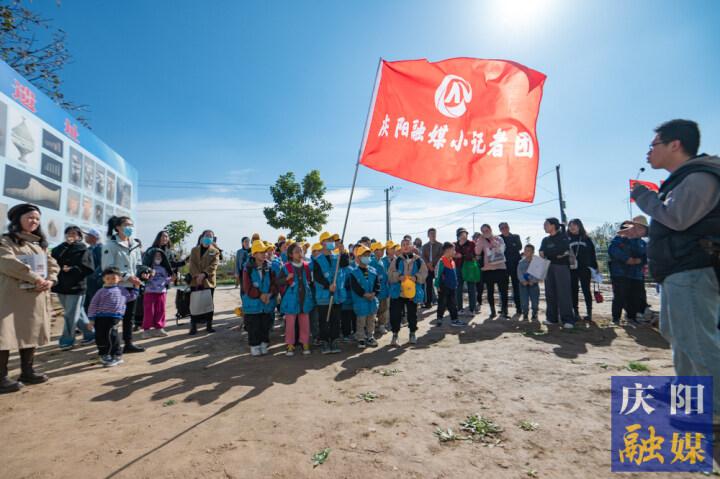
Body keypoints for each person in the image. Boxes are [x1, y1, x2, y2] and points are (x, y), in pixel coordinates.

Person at [628, 119, 720, 425]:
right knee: (680, 335)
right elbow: (683, 224)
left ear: (675, 144)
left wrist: (644, 197)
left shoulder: (699, 177)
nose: (648, 152)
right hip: (680, 270)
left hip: (692, 270)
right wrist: (644, 232)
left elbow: (677, 218)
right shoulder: (685, 179)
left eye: (653, 145)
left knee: (698, 340)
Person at [0, 203, 60, 393]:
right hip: (11, 297)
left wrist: (51, 280)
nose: (34, 221)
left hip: (36, 296)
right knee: (5, 334)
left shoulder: (39, 244)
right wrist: (36, 278)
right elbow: (7, 263)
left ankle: (27, 371)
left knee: (31, 333)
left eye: (37, 218)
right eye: (30, 217)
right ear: (17, 219)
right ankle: (1, 377)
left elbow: (53, 265)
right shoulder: (5, 241)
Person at [101, 216, 145, 353]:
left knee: (129, 317)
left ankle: (128, 343)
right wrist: (127, 277)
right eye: (126, 225)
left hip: (132, 287)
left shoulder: (135, 245)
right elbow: (108, 268)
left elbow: (138, 265)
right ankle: (110, 347)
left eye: (131, 225)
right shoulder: (110, 245)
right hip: (116, 287)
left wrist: (144, 273)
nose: (129, 228)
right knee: (113, 319)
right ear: (117, 227)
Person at [51, 225, 96, 350]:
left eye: (74, 233)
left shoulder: (83, 249)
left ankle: (67, 340)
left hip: (76, 287)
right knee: (77, 313)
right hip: (61, 286)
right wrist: (65, 246)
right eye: (68, 233)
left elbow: (88, 268)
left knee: (70, 315)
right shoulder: (60, 248)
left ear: (79, 236)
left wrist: (73, 269)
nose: (71, 235)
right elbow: (53, 259)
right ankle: (91, 334)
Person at [88, 267, 140, 367]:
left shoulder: (122, 290)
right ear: (103, 279)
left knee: (111, 335)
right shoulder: (100, 291)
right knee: (100, 336)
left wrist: (137, 287)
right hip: (100, 317)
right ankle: (103, 354)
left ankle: (116, 355)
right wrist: (91, 319)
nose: (111, 280)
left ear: (119, 279)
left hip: (114, 317)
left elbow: (131, 297)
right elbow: (93, 305)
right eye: (108, 278)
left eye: (113, 278)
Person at [312, 232, 348, 354]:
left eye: (333, 240)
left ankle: (334, 340)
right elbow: (317, 277)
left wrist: (343, 253)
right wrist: (328, 286)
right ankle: (325, 342)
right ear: (322, 242)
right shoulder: (317, 259)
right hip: (324, 296)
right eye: (329, 240)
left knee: (335, 319)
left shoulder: (337, 257)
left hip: (337, 295)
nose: (332, 242)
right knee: (324, 320)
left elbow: (345, 263)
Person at [388, 238, 428, 346]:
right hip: (398, 292)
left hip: (412, 293)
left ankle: (412, 333)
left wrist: (416, 277)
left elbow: (424, 273)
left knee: (412, 314)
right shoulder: (396, 261)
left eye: (408, 244)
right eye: (403, 244)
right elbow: (390, 274)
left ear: (412, 246)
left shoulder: (419, 260)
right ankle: (395, 335)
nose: (405, 246)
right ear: (401, 247)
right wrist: (399, 276)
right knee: (395, 314)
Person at [242, 240, 278, 356]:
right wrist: (260, 295)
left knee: (265, 325)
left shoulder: (270, 267)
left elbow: (274, 283)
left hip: (267, 303)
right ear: (254, 254)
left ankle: (264, 344)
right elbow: (247, 287)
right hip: (253, 305)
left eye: (265, 252)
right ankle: (254, 346)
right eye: (261, 252)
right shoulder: (247, 268)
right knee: (254, 326)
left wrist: (270, 294)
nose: (264, 254)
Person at [609, 218, 648, 324]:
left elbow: (646, 256)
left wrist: (639, 260)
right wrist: (627, 259)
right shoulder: (618, 239)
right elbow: (613, 250)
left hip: (636, 274)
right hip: (619, 273)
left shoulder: (642, 243)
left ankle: (632, 317)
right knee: (619, 295)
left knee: (634, 296)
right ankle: (616, 318)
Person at [539, 218, 575, 329]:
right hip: (548, 267)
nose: (544, 227)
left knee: (564, 293)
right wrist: (555, 254)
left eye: (546, 224)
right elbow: (542, 252)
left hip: (561, 267)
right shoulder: (545, 240)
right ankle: (552, 318)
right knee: (550, 293)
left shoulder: (563, 237)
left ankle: (568, 320)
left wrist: (551, 253)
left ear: (553, 225)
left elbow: (563, 250)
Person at [278, 243, 313, 356]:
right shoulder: (286, 267)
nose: (299, 253)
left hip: (304, 299)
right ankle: (290, 345)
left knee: (305, 323)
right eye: (297, 251)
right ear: (290, 254)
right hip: (291, 301)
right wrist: (286, 279)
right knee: (290, 324)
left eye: (301, 251)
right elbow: (278, 282)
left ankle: (305, 343)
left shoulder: (306, 266)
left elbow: (309, 280)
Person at [188, 230, 220, 335]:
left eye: (211, 236)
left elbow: (214, 265)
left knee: (208, 304)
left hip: (208, 281)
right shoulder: (194, 250)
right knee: (194, 304)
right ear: (202, 237)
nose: (208, 237)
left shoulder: (215, 251)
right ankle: (193, 326)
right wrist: (197, 275)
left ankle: (209, 325)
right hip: (195, 281)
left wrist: (204, 274)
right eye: (207, 235)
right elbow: (191, 264)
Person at [567, 218, 599, 321]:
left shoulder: (586, 239)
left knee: (586, 290)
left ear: (579, 226)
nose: (572, 227)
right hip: (572, 268)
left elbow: (592, 254)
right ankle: (575, 312)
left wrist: (595, 267)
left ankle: (589, 313)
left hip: (585, 268)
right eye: (570, 225)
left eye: (574, 225)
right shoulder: (566, 239)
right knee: (573, 290)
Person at [475, 224, 509, 318]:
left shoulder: (498, 238)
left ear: (490, 229)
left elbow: (502, 249)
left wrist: (493, 240)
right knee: (490, 292)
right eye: (483, 231)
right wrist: (479, 241)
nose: (485, 232)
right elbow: (477, 252)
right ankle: (492, 311)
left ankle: (504, 311)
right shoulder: (481, 240)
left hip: (500, 268)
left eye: (486, 230)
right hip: (488, 269)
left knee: (503, 291)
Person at [349, 245, 380, 348]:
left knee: (371, 320)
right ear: (358, 257)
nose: (367, 257)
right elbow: (355, 287)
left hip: (372, 300)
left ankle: (370, 336)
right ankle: (361, 338)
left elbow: (377, 284)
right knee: (361, 321)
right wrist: (364, 294)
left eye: (368, 255)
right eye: (364, 255)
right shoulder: (354, 272)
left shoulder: (373, 270)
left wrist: (374, 293)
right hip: (360, 301)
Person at [141, 248, 173, 337]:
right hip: (149, 292)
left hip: (161, 292)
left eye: (160, 256)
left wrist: (171, 279)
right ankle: (146, 330)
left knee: (160, 310)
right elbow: (143, 279)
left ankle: (159, 328)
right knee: (148, 311)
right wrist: (149, 275)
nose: (158, 257)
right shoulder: (147, 268)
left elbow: (166, 280)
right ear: (152, 257)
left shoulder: (163, 268)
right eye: (156, 255)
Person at [434, 242, 461, 327]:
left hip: (452, 287)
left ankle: (454, 320)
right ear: (447, 250)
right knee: (442, 303)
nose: (455, 252)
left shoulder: (452, 261)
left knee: (453, 304)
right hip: (443, 287)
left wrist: (456, 282)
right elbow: (437, 274)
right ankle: (439, 319)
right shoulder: (441, 261)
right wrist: (437, 285)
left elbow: (454, 274)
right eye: (453, 249)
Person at [499, 222, 523, 315]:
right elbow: (498, 251)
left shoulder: (516, 236)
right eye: (502, 228)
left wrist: (507, 248)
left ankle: (519, 308)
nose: (504, 229)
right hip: (503, 266)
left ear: (508, 227)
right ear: (500, 230)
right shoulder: (498, 238)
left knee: (516, 287)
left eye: (506, 227)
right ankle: (504, 309)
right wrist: (511, 246)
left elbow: (519, 247)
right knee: (503, 288)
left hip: (515, 265)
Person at [454, 227, 477, 315]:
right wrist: (454, 255)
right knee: (458, 289)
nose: (463, 236)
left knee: (471, 288)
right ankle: (459, 308)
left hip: (469, 268)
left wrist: (462, 256)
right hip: (458, 268)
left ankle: (472, 309)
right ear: (458, 236)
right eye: (461, 234)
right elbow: (450, 255)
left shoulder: (472, 244)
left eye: (465, 234)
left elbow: (474, 255)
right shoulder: (454, 245)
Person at [517, 244, 540, 321]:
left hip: (534, 285)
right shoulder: (521, 262)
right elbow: (519, 273)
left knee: (535, 301)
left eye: (528, 251)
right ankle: (525, 314)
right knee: (524, 301)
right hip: (523, 285)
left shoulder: (536, 262)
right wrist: (523, 281)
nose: (526, 252)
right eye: (525, 250)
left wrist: (533, 281)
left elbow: (538, 273)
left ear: (533, 252)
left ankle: (534, 313)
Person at [370, 242, 389, 335]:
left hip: (384, 290)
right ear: (375, 251)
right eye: (381, 249)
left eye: (383, 249)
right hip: (374, 291)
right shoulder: (371, 262)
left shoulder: (383, 262)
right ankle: (371, 328)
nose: (383, 251)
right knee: (373, 311)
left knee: (383, 309)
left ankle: (382, 325)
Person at [83, 227, 103, 314]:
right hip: (88, 281)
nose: (85, 237)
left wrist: (93, 275)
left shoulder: (100, 248)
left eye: (88, 235)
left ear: (94, 237)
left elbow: (102, 264)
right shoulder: (89, 248)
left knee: (93, 302)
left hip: (94, 281)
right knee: (86, 303)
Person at [421, 227, 442, 309]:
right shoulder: (424, 246)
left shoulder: (440, 245)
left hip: (437, 268)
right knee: (428, 286)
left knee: (439, 285)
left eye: (434, 233)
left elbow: (440, 256)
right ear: (428, 235)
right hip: (428, 268)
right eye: (431, 234)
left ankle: (441, 303)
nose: (433, 235)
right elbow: (423, 256)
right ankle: (428, 303)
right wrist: (428, 265)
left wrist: (433, 264)